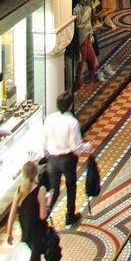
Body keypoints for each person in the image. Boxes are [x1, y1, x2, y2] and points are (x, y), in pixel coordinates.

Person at [42, 92, 93, 226]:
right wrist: (87, 147)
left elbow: (44, 140)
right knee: (71, 186)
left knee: (54, 189)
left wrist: (46, 154)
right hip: (67, 159)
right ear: (70, 106)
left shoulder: (49, 119)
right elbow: (76, 146)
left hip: (52, 158)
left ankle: (45, 215)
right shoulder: (72, 122)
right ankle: (70, 215)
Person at [6, 160, 51, 261]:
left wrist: (9, 233)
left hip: (26, 232)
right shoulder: (40, 190)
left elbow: (12, 212)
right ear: (36, 173)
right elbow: (43, 215)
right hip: (38, 232)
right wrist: (48, 203)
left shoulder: (20, 190)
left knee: (35, 259)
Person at [74, 0, 100, 89]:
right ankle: (85, 80)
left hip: (85, 33)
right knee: (84, 56)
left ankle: (87, 80)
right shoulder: (82, 9)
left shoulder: (83, 9)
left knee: (87, 58)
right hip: (85, 33)